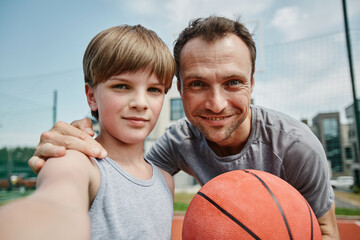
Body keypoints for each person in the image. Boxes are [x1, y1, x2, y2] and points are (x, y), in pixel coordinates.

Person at [28, 16, 339, 239]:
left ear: (252, 83)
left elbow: (325, 232)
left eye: (233, 82)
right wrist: (76, 138)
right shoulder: (175, 144)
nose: (216, 104)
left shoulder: (297, 147)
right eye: (198, 84)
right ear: (178, 88)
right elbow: (111, 178)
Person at [0, 24, 176, 240]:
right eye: (121, 86)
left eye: (154, 90)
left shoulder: (165, 180)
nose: (141, 103)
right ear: (91, 96)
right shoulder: (75, 161)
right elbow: (57, 202)